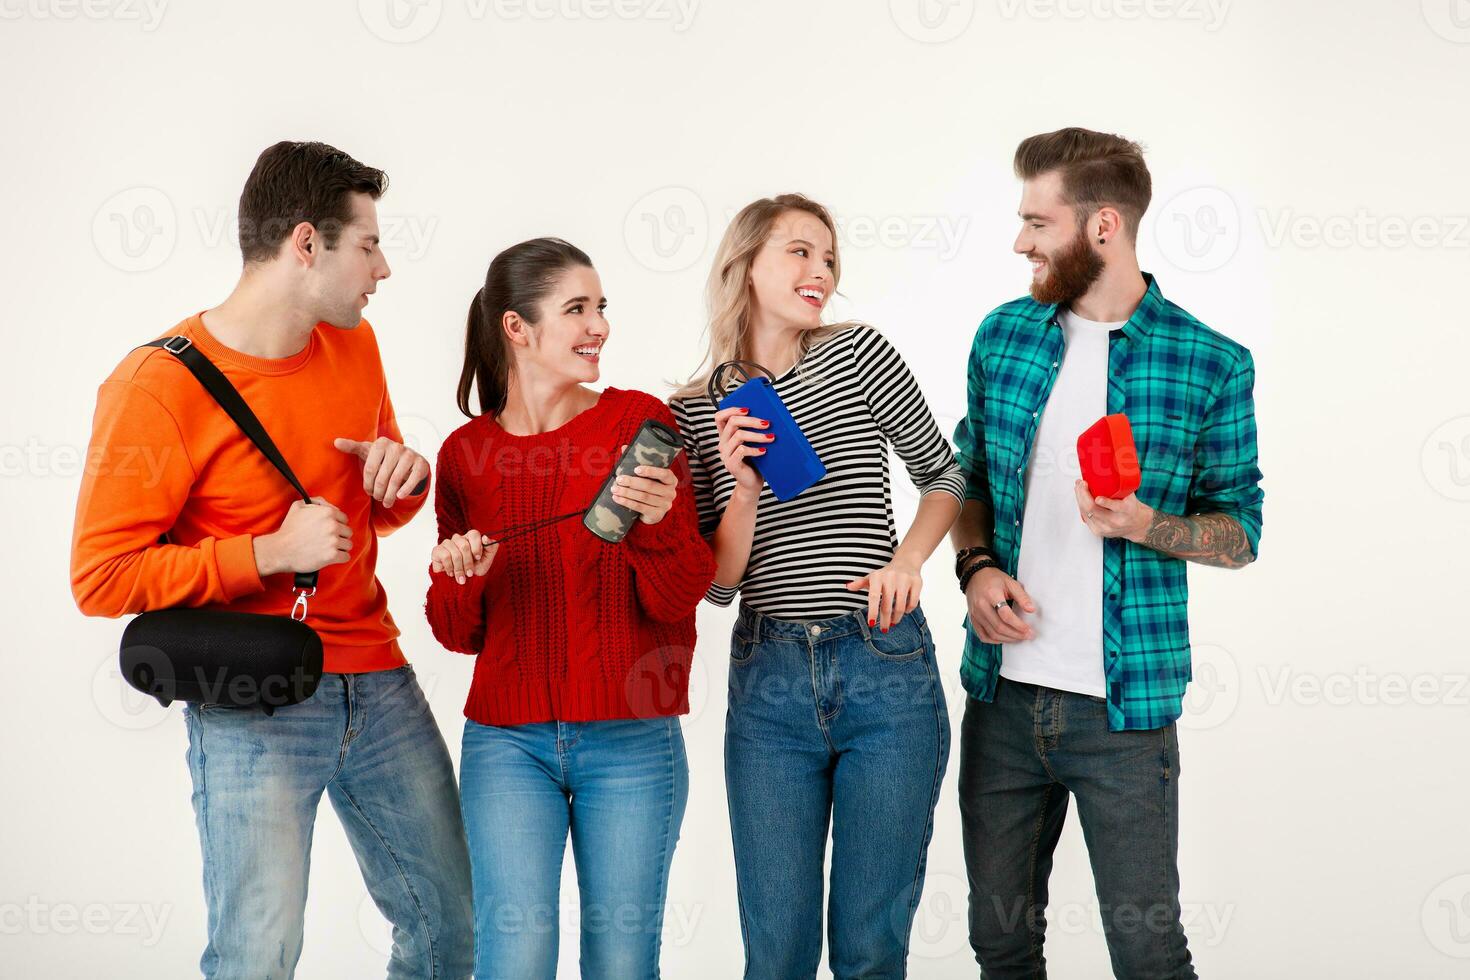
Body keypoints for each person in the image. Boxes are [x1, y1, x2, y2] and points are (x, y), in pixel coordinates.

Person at [69, 141, 473, 979]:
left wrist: (402, 483)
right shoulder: (154, 387)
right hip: (254, 701)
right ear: (305, 244)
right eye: (368, 244)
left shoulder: (353, 345)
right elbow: (101, 577)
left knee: (449, 928)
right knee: (258, 954)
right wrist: (267, 554)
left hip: (378, 678)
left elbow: (370, 507)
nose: (385, 267)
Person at [950, 127, 1265, 979]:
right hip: (1004, 701)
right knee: (1002, 945)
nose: (1020, 240)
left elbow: (1242, 531)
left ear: (1102, 227)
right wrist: (975, 569)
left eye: (1036, 221)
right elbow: (963, 478)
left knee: (1147, 952)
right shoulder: (1004, 336)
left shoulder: (1210, 361)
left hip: (1124, 716)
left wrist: (1149, 526)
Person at [669, 194, 964, 980]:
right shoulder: (694, 411)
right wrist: (738, 482)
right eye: (800, 251)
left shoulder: (859, 354)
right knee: (777, 955)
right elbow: (720, 586)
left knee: (870, 951)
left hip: (884, 664)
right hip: (768, 682)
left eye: (829, 258)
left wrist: (907, 561)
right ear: (746, 265)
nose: (820, 272)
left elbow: (945, 473)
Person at [424, 237, 716, 979]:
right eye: (577, 309)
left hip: (632, 740)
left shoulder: (638, 424)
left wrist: (655, 530)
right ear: (517, 329)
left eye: (602, 307)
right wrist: (463, 577)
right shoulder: (465, 455)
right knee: (513, 961)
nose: (600, 327)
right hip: (506, 745)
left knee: (621, 964)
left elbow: (684, 597)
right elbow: (459, 636)